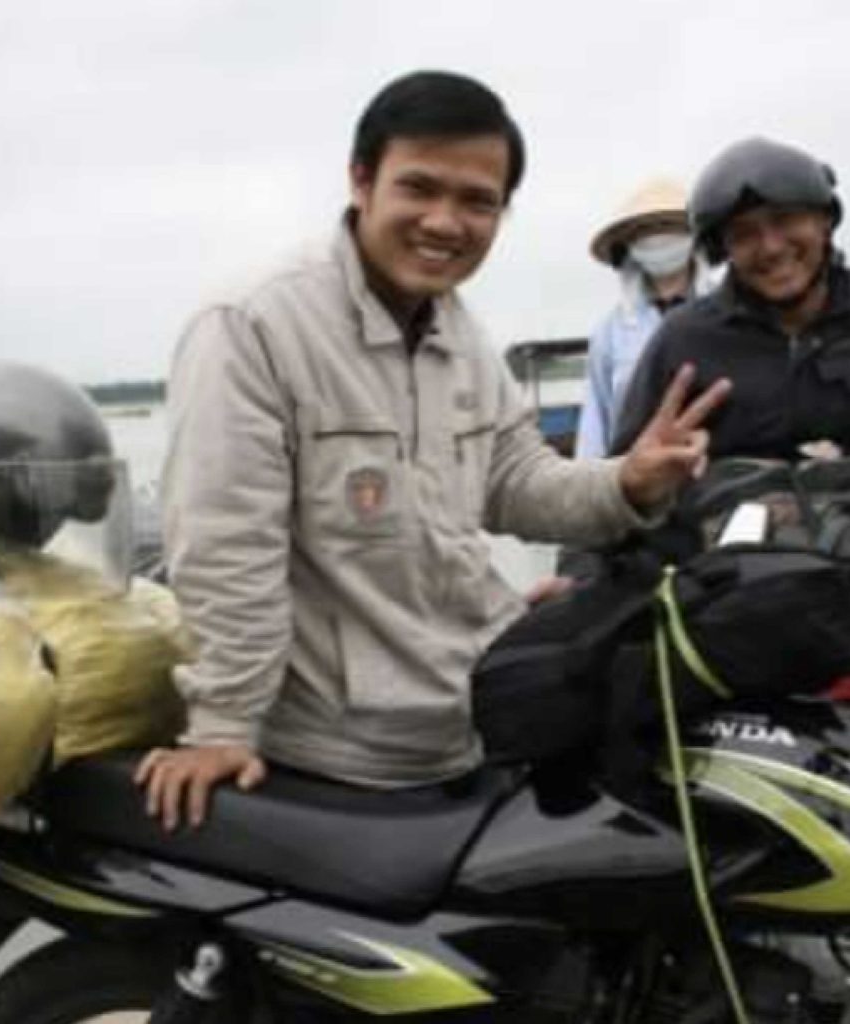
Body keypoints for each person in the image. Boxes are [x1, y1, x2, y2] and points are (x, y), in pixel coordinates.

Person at [136, 70, 729, 830]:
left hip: (470, 713)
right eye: (420, 187)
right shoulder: (254, 324)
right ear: (361, 179)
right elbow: (224, 542)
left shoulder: (460, 333)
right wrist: (222, 723)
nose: (445, 222)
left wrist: (629, 483)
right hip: (343, 755)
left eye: (477, 201)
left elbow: (515, 480)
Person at [613, 136, 850, 460]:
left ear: (825, 221)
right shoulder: (683, 340)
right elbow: (627, 473)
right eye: (743, 233)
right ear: (723, 250)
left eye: (785, 219)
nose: (771, 247)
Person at [577, 178, 709, 458]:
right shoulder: (609, 332)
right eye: (645, 229)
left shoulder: (725, 318)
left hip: (716, 476)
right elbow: (594, 423)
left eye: (668, 225)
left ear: (694, 235)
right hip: (634, 478)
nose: (657, 236)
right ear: (629, 246)